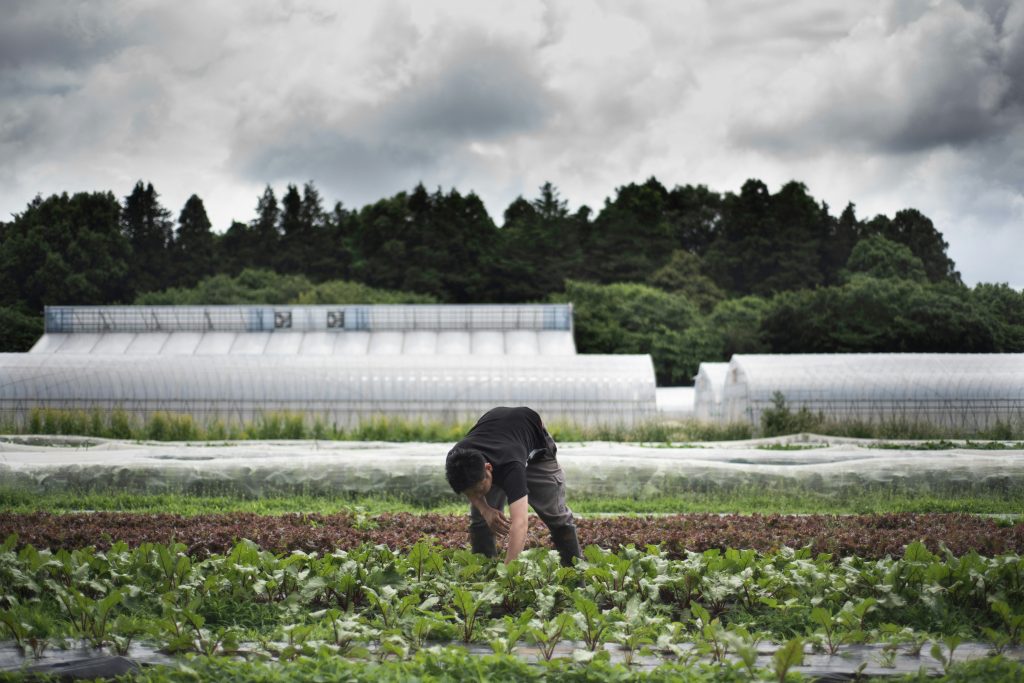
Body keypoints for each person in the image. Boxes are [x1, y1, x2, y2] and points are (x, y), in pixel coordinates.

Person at [445, 406, 582, 566]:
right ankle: (482, 571)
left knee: (557, 517)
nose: (477, 495)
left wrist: (508, 574)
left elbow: (520, 523)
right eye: (472, 492)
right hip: (501, 438)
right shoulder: (456, 460)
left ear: (488, 468)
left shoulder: (512, 467)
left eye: (480, 489)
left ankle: (574, 574)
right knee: (481, 520)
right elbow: (470, 489)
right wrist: (485, 510)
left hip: (536, 453)